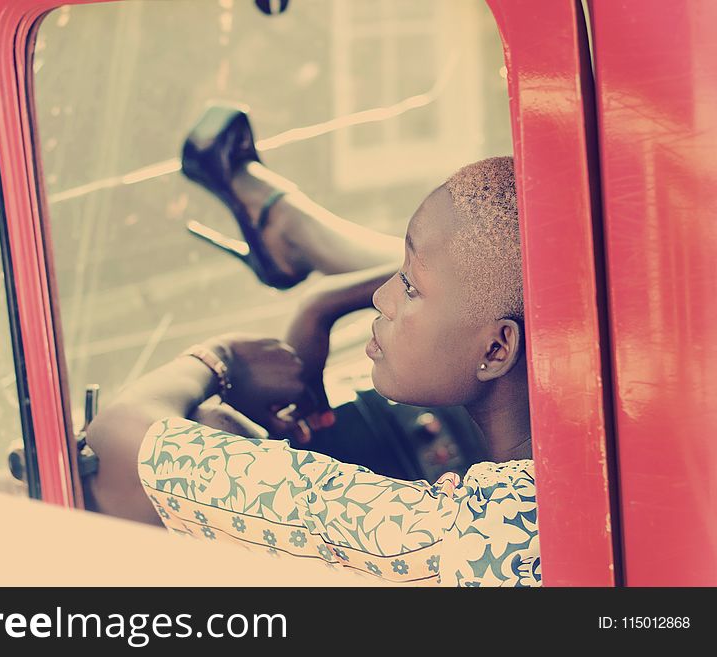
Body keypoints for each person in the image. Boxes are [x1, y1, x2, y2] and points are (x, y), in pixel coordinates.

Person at [86, 105, 539, 586]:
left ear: (496, 351)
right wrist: (321, 305)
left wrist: (222, 360)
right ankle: (297, 234)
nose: (379, 297)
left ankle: (294, 232)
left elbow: (120, 440)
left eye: (409, 286)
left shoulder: (452, 537)